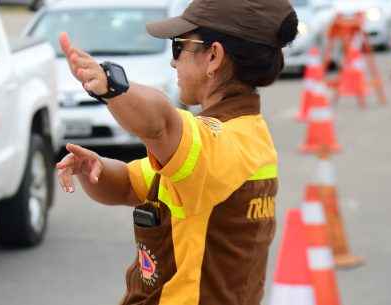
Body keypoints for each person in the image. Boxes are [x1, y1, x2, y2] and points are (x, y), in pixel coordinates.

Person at [56, 0, 298, 304]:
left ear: (213, 56)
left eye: (178, 47)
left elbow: (160, 124)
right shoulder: (248, 134)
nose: (173, 62)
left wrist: (109, 85)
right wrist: (94, 168)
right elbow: (131, 185)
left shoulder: (219, 146)